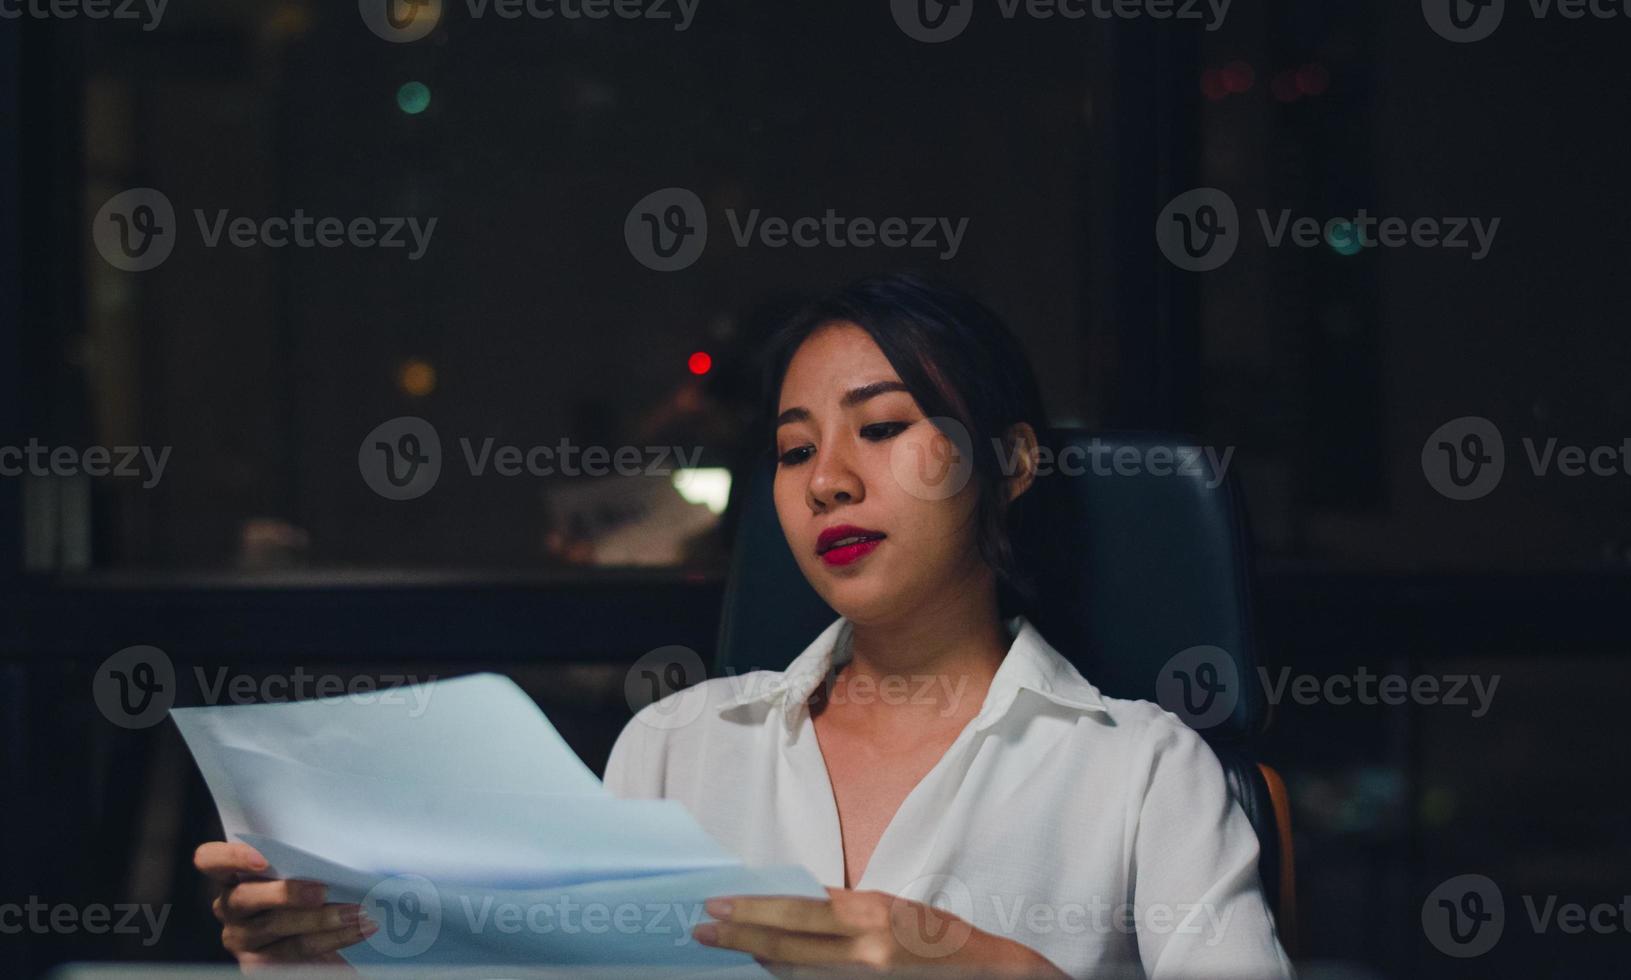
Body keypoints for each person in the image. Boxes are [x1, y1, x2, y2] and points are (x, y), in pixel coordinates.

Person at [194, 272, 1294, 978]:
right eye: (793, 447)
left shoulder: (1145, 769)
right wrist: (321, 953)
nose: (828, 481)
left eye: (882, 426)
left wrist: (987, 968)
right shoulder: (678, 745)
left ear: (1006, 462)